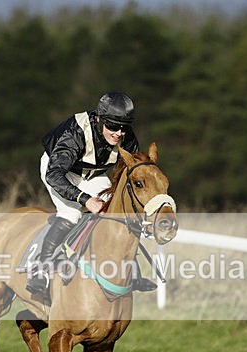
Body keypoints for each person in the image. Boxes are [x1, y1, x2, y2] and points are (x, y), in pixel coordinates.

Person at [26, 92, 155, 301]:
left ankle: (132, 270)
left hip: (93, 174)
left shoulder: (126, 137)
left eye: (124, 127)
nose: (119, 133)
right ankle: (39, 270)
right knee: (71, 213)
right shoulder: (76, 133)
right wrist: (85, 199)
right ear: (99, 119)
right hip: (59, 170)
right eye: (113, 126)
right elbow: (54, 175)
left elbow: (130, 173)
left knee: (116, 214)